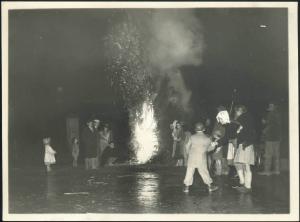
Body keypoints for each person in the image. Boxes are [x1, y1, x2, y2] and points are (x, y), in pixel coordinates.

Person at [183, 122, 219, 193]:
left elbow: (187, 146)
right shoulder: (207, 138)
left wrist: (188, 153)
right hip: (201, 158)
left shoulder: (192, 137)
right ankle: (210, 187)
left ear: (195, 129)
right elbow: (209, 149)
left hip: (192, 157)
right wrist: (214, 145)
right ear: (204, 129)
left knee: (189, 171)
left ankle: (186, 188)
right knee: (204, 171)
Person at [232, 105, 256, 193]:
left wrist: (231, 121)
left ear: (241, 111)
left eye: (237, 111)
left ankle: (247, 187)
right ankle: (243, 183)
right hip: (242, 144)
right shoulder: (244, 119)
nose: (236, 113)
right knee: (238, 163)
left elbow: (238, 124)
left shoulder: (245, 117)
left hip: (245, 145)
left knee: (246, 165)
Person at [258, 102, 282, 176]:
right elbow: (278, 125)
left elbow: (269, 125)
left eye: (271, 105)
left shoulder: (270, 114)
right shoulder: (278, 114)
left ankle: (267, 171)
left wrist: (264, 125)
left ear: (275, 106)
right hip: (277, 138)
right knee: (276, 155)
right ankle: (277, 170)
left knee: (268, 154)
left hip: (270, 138)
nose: (270, 106)